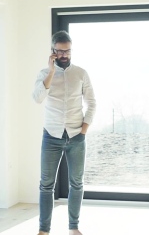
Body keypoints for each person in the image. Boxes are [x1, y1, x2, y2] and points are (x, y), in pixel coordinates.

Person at [32, 30, 96, 235]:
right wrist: (51, 72)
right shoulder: (44, 74)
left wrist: (84, 129)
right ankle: (44, 230)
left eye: (67, 51)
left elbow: (92, 103)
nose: (64, 55)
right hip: (51, 136)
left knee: (76, 184)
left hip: (76, 137)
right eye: (60, 51)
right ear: (53, 52)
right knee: (46, 185)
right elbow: (37, 98)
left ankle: (73, 228)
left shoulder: (81, 73)